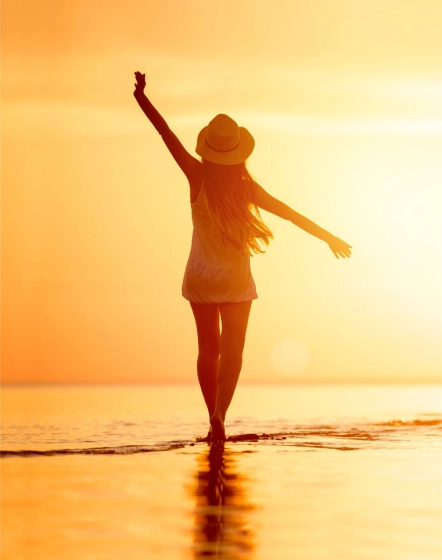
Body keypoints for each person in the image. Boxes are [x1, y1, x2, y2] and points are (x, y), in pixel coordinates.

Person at [133, 71, 352, 443]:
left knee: (208, 348)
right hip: (235, 280)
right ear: (237, 150)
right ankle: (221, 415)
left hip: (201, 276)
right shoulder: (246, 186)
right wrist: (328, 237)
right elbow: (289, 212)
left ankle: (211, 417)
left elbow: (166, 134)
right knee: (232, 350)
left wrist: (142, 97)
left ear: (209, 147)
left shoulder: (196, 175)